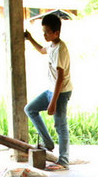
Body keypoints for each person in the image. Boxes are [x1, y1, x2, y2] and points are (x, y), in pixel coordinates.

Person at [24, 13, 73, 167]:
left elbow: (60, 77)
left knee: (60, 125)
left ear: (56, 33)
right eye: (43, 31)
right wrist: (30, 38)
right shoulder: (52, 45)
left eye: (46, 32)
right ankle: (48, 142)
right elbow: (41, 50)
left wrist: (52, 103)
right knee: (30, 109)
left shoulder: (60, 49)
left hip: (61, 92)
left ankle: (64, 160)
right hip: (51, 90)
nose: (44, 35)